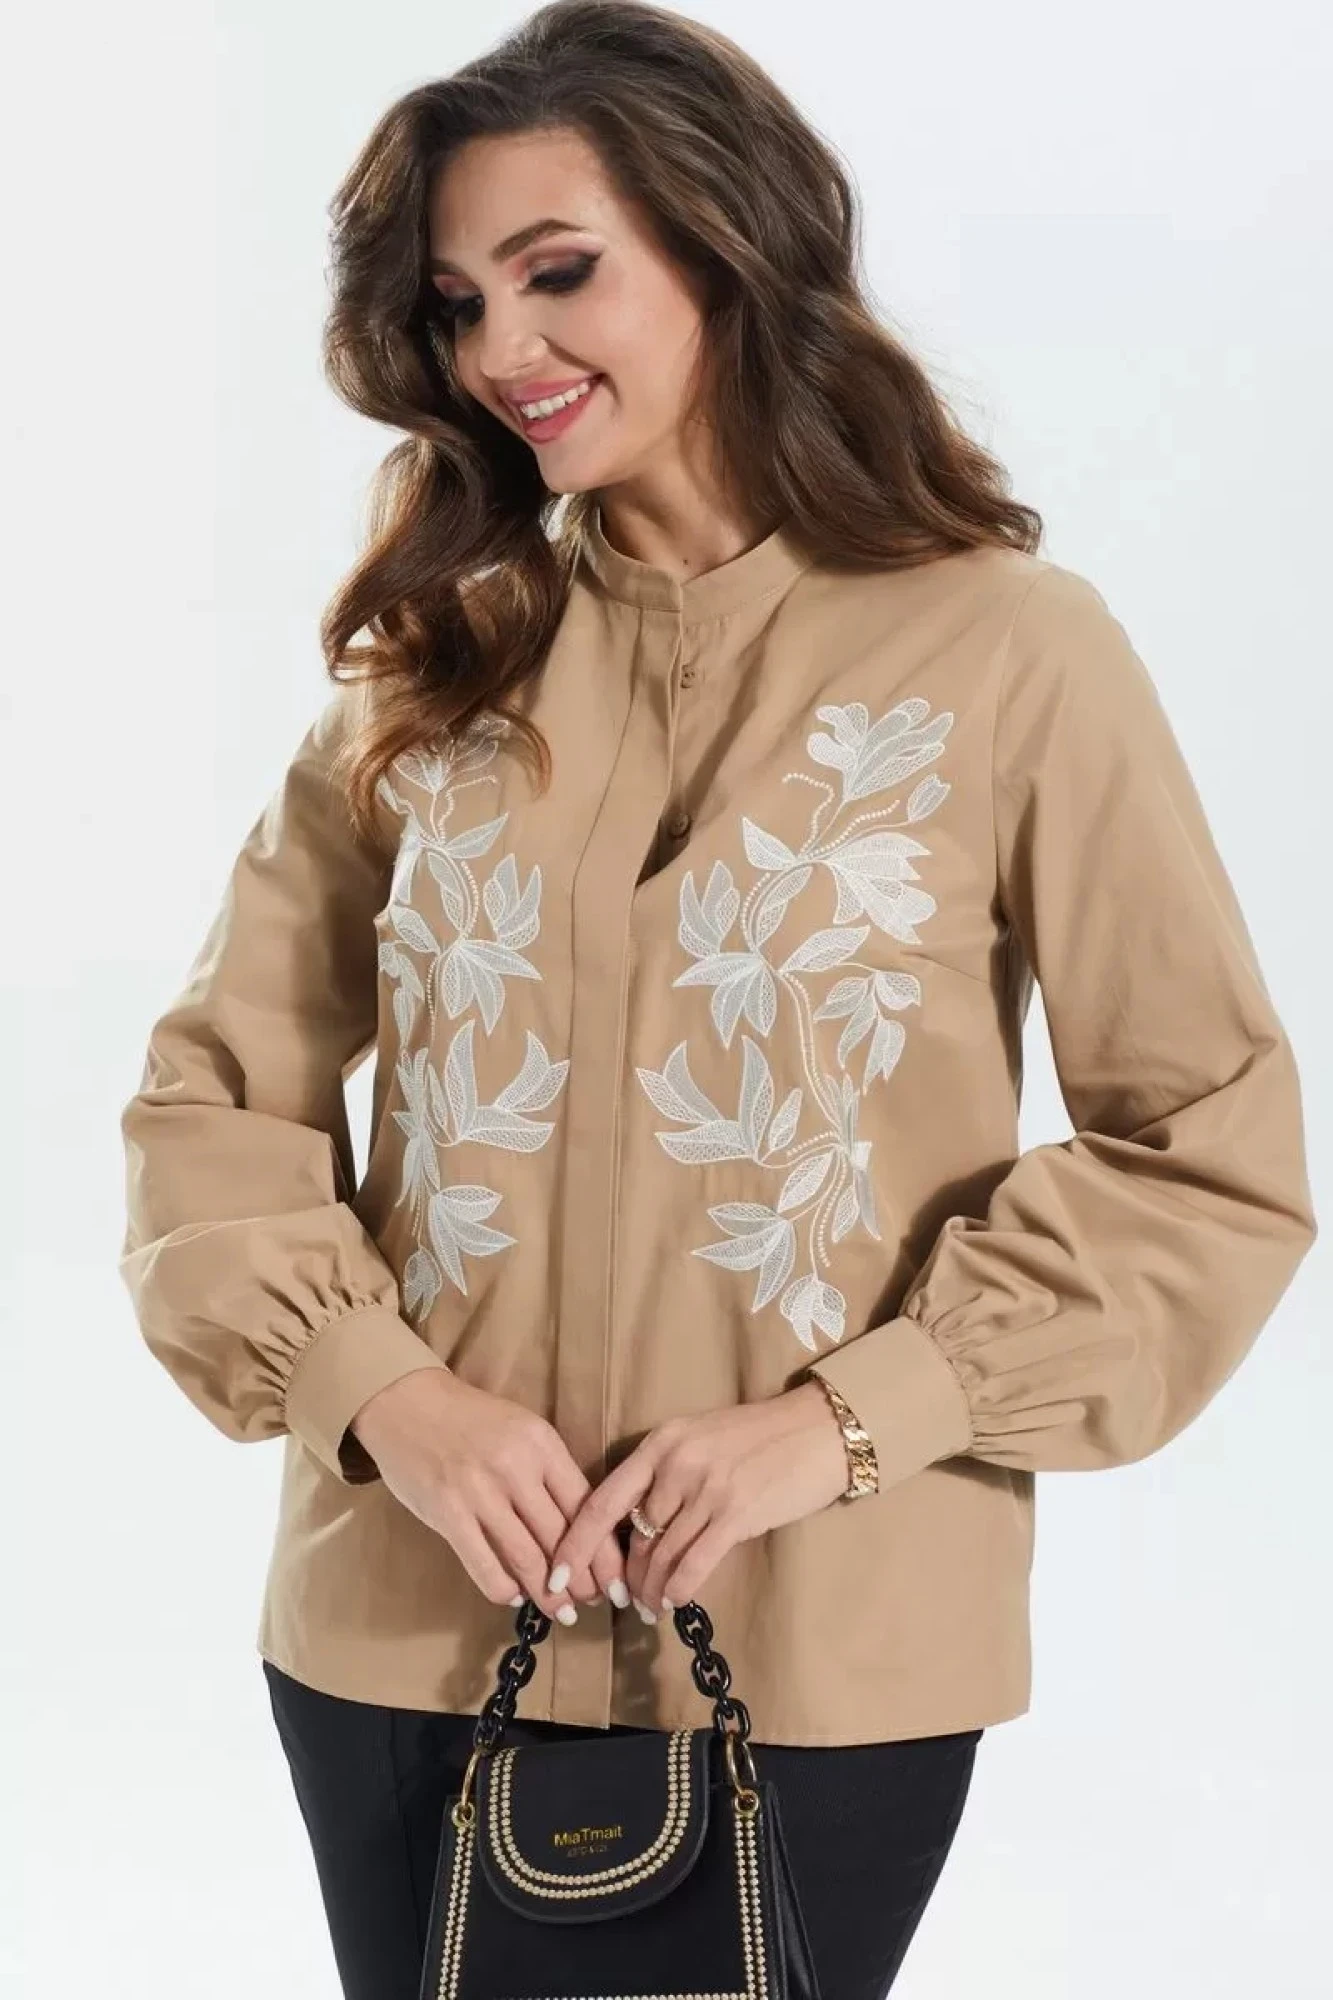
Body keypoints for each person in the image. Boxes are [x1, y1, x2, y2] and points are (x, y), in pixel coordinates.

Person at [116, 3, 1317, 1996]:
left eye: (559, 271)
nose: (502, 350)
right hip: (410, 1630)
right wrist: (382, 1394)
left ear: (728, 245)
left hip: (825, 1642)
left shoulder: (1010, 655)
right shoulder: (439, 663)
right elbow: (210, 1098)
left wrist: (847, 1426)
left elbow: (1209, 1148)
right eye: (457, 302)